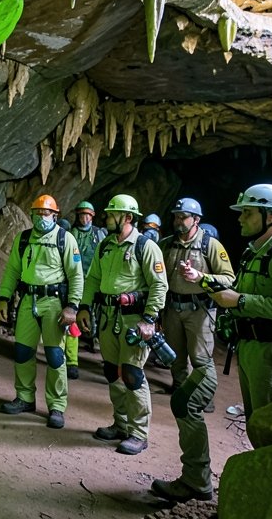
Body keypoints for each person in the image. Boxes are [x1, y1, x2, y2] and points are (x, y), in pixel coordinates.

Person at [181, 184, 272, 448]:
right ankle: (267, 484)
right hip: (251, 347)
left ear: (271, 216)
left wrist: (241, 301)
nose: (240, 218)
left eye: (248, 212)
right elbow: (236, 291)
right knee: (257, 425)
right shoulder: (254, 253)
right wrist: (203, 279)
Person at [150, 198, 235, 503]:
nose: (178, 221)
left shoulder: (210, 245)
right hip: (173, 308)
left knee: (200, 359)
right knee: (174, 357)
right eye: (176, 216)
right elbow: (157, 274)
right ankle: (180, 390)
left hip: (199, 310)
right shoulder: (166, 243)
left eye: (184, 217)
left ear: (196, 220)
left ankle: (200, 399)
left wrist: (202, 278)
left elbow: (229, 278)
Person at [76, 194, 167, 455]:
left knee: (132, 374)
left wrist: (149, 319)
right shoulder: (106, 245)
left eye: (111, 214)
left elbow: (159, 285)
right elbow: (93, 277)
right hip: (107, 317)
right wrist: (84, 306)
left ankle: (139, 433)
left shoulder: (145, 246)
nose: (106, 218)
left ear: (127, 218)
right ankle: (121, 423)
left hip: (133, 320)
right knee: (112, 372)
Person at [0, 194, 84, 429]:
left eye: (47, 213)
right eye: (38, 213)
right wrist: (4, 299)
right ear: (32, 214)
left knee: (55, 356)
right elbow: (12, 270)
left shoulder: (65, 239)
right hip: (27, 299)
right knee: (23, 351)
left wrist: (72, 306)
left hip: (54, 302)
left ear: (55, 215)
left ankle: (56, 405)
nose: (42, 217)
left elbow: (76, 275)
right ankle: (25, 398)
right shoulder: (24, 239)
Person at [68, 201, 107, 372]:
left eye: (87, 215)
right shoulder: (72, 234)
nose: (84, 218)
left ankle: (94, 339)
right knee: (74, 313)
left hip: (94, 281)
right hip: (75, 280)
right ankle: (72, 356)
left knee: (96, 313)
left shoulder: (99, 234)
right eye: (82, 214)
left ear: (92, 216)